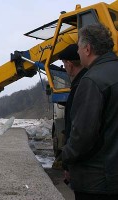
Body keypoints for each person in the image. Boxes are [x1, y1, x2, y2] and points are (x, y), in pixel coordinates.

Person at [62, 23, 118, 200]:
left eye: (78, 47)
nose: (77, 53)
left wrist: (65, 157)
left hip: (97, 181)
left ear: (87, 49)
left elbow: (83, 135)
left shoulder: (92, 80)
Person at [58, 44, 88, 182]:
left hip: (84, 167)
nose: (64, 68)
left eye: (64, 64)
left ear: (69, 64)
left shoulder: (79, 87)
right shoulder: (88, 80)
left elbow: (76, 130)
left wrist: (67, 163)